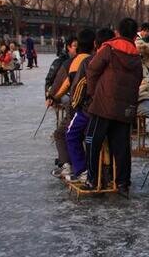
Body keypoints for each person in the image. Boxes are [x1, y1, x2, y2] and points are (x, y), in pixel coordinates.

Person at [83, 18, 143, 197]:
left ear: (117, 31)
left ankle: (92, 179)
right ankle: (123, 183)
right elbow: (138, 80)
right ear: (134, 35)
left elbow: (92, 70)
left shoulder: (109, 48)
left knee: (92, 140)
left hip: (103, 104)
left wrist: (93, 94)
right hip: (125, 108)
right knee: (122, 146)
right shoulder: (136, 56)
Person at [47, 28, 95, 182]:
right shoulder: (98, 59)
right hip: (97, 109)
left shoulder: (71, 63)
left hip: (79, 109)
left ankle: (68, 165)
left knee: (61, 133)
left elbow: (61, 86)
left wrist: (52, 97)